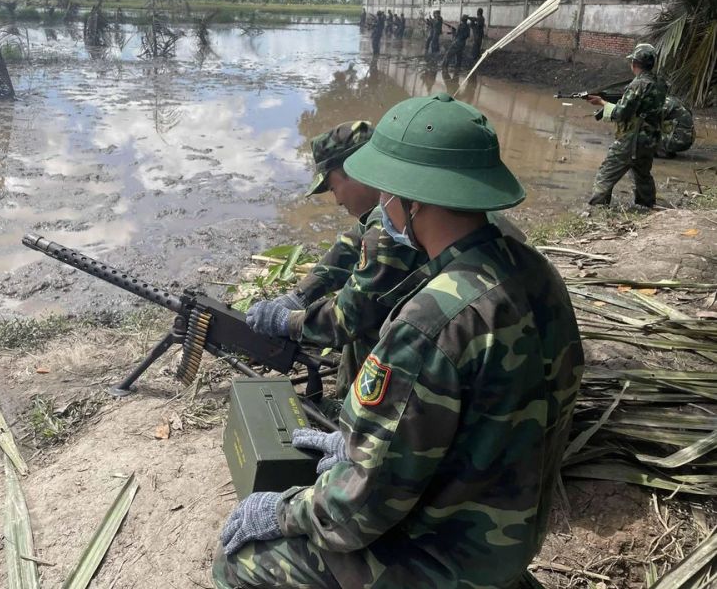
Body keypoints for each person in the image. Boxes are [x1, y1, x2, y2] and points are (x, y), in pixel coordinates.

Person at [214, 92, 584, 589]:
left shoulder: (429, 324)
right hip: (502, 542)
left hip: (443, 560)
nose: (381, 203)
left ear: (415, 198)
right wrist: (357, 444)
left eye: (388, 189)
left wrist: (282, 511)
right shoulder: (534, 271)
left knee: (238, 562)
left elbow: (357, 514)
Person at [245, 121, 423, 396]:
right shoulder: (396, 196)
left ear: (354, 170)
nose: (337, 200)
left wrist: (287, 321)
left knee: (364, 329)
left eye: (332, 187)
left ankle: (354, 407)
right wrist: (300, 295)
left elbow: (347, 318)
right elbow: (351, 244)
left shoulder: (387, 228)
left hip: (423, 342)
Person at [586, 43, 667, 209]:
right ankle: (647, 205)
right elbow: (642, 106)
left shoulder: (638, 85)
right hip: (650, 138)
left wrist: (601, 102)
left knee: (606, 173)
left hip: (632, 139)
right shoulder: (660, 83)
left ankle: (598, 207)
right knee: (642, 173)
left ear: (634, 63)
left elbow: (621, 113)